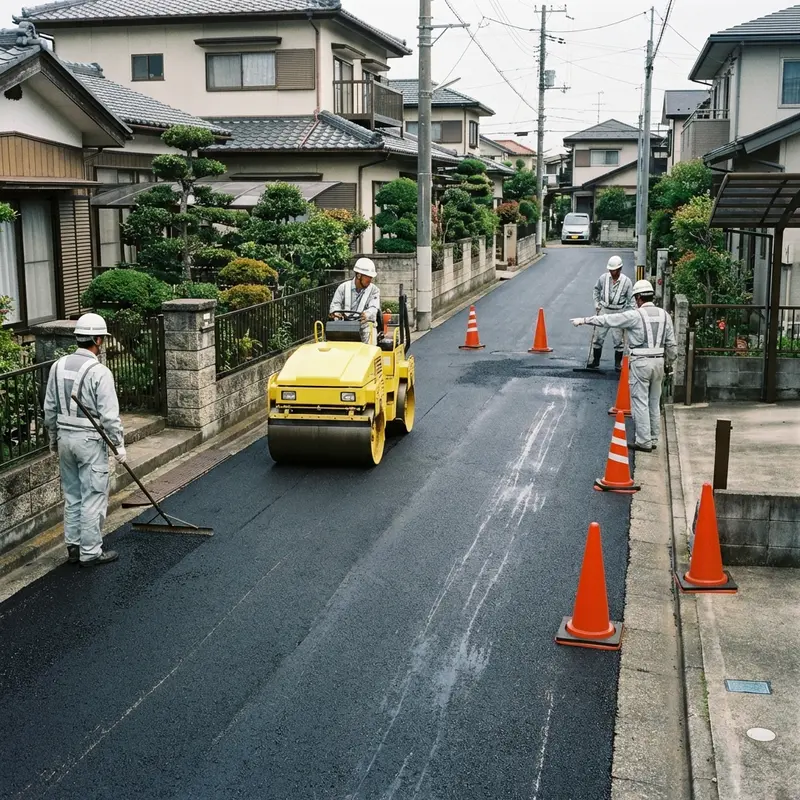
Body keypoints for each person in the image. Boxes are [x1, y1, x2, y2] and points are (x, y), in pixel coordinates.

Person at [44, 313, 126, 567]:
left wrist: (53, 439)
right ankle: (90, 552)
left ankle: (74, 546)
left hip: (65, 438)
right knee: (92, 495)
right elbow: (109, 416)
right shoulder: (100, 372)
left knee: (73, 494)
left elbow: (49, 408)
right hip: (90, 441)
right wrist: (119, 446)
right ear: (98, 340)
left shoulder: (57, 366)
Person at [571, 280, 677, 452]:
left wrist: (584, 320)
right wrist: (669, 363)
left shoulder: (635, 315)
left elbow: (610, 319)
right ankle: (653, 437)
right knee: (654, 401)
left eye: (636, 298)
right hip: (659, 361)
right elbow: (671, 345)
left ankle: (643, 441)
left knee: (640, 401)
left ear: (639, 297)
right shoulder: (665, 315)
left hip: (641, 362)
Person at [589, 255, 635, 371]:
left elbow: (631, 300)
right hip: (604, 309)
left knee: (618, 340)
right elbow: (596, 290)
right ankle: (595, 361)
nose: (611, 272)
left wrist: (627, 314)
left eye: (613, 270)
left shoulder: (627, 282)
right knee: (598, 337)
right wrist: (597, 303)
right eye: (610, 270)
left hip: (619, 311)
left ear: (619, 269)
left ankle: (617, 364)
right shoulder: (603, 278)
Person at [329, 257, 382, 345]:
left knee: (370, 345)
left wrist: (367, 315)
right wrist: (336, 314)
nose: (370, 279)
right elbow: (335, 304)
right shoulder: (343, 287)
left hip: (365, 328)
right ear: (358, 275)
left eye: (371, 277)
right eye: (368, 276)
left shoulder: (374, 290)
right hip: (344, 327)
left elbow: (373, 308)